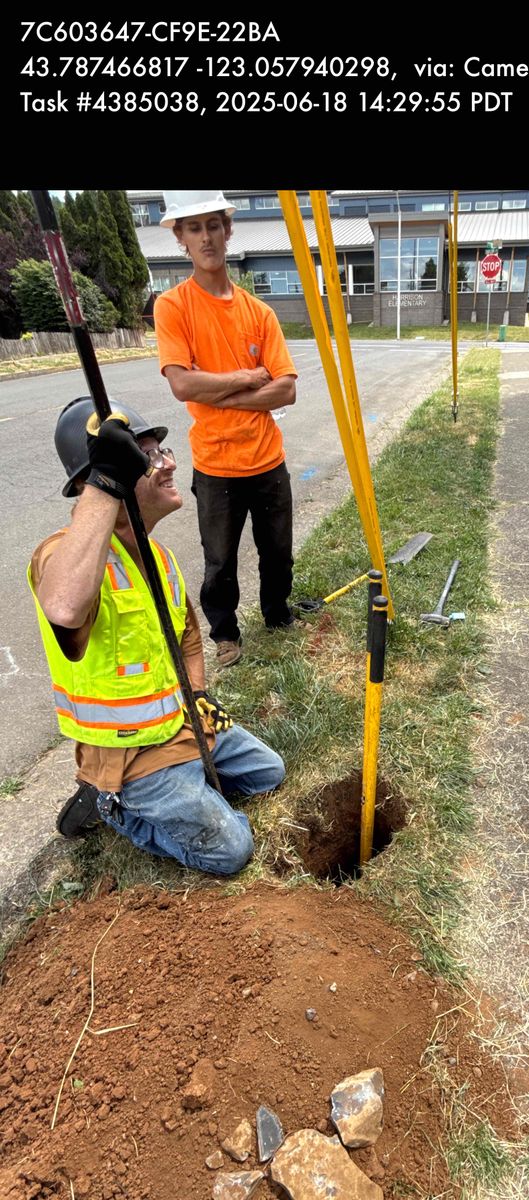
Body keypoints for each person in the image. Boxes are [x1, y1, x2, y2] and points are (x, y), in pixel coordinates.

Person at [28, 396, 285, 872]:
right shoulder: (64, 557)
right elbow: (64, 608)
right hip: (132, 755)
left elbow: (187, 635)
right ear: (99, 481)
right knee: (231, 850)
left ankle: (186, 791)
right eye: (146, 457)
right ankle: (111, 803)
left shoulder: (157, 557)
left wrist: (199, 693)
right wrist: (105, 485)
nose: (168, 465)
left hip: (184, 726)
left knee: (270, 773)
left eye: (162, 452)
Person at [154, 190, 299, 670]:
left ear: (227, 229)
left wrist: (218, 393)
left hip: (267, 459)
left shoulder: (260, 313)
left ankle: (278, 616)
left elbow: (286, 390)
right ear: (181, 238)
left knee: (277, 551)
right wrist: (245, 378)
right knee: (219, 560)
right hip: (216, 464)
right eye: (193, 228)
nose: (206, 236)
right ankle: (225, 634)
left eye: (213, 225)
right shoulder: (172, 307)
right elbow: (181, 383)